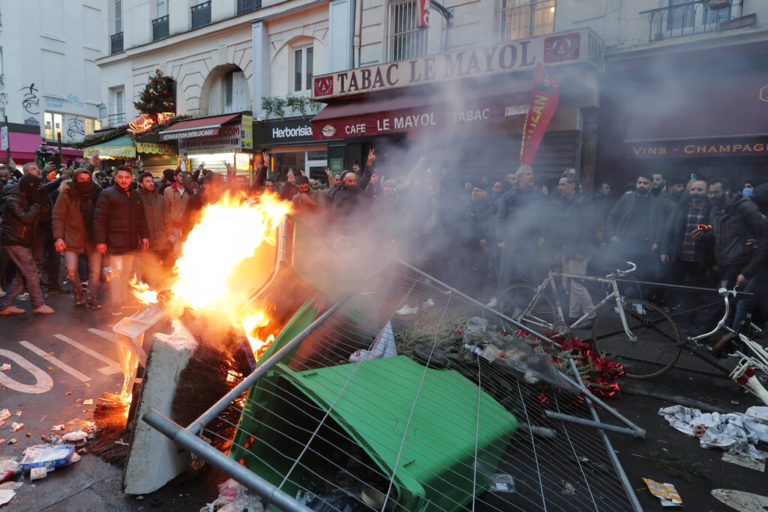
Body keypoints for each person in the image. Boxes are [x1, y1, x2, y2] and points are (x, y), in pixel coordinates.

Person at [93, 166, 150, 315]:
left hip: (131, 243)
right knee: (116, 275)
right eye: (120, 177)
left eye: (127, 177)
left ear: (132, 179)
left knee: (126, 273)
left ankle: (124, 300)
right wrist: (101, 241)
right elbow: (99, 219)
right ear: (115, 178)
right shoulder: (107, 194)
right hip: (114, 242)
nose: (124, 180)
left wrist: (145, 236)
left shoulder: (136, 195)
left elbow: (142, 218)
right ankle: (116, 303)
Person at [0, 174, 55, 315]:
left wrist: (42, 203)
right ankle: (38, 304)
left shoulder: (27, 196)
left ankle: (6, 305)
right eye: (36, 187)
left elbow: (42, 217)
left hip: (23, 240)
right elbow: (27, 218)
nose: (38, 189)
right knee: (31, 272)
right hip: (14, 241)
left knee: (22, 275)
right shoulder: (12, 200)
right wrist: (36, 203)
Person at [553, 174, 601, 325]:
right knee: (571, 284)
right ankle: (573, 315)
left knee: (577, 284)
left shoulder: (584, 203)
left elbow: (589, 229)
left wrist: (581, 250)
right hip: (567, 249)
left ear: (572, 185)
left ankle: (591, 314)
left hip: (579, 250)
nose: (559, 188)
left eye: (563, 185)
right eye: (559, 185)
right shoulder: (564, 202)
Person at [52, 168, 103, 309]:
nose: (85, 182)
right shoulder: (66, 195)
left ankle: (92, 298)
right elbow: (58, 217)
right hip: (72, 238)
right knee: (71, 270)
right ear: (75, 180)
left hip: (93, 238)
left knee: (96, 271)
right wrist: (58, 237)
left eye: (88, 179)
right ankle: (78, 293)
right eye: (82, 180)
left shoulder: (96, 194)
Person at [606, 174, 663, 288]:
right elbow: (612, 216)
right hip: (624, 241)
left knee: (641, 275)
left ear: (651, 185)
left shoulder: (655, 202)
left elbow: (660, 223)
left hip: (645, 244)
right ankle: (619, 302)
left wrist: (657, 241)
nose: (641, 185)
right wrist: (611, 234)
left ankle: (637, 303)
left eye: (645, 183)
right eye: (639, 182)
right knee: (622, 273)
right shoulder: (627, 198)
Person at [707, 179, 764, 289]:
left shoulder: (744, 206)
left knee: (725, 291)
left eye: (716, 192)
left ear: (727, 191)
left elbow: (761, 229)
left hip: (740, 260)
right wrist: (703, 235)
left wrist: (756, 243)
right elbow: (714, 231)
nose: (712, 196)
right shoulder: (715, 210)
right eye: (710, 193)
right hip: (722, 260)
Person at [137, 171, 173, 288]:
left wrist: (170, 234)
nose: (151, 183)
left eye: (152, 181)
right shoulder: (137, 199)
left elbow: (167, 218)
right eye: (147, 181)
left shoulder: (161, 199)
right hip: (147, 242)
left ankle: (163, 293)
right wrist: (139, 238)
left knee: (164, 269)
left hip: (162, 241)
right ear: (141, 184)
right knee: (148, 270)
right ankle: (150, 295)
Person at [164, 169, 190, 260]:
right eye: (180, 175)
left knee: (189, 250)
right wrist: (169, 229)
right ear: (175, 177)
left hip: (188, 226)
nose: (183, 178)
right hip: (175, 226)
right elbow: (166, 210)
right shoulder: (168, 191)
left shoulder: (190, 190)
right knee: (176, 251)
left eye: (184, 176)